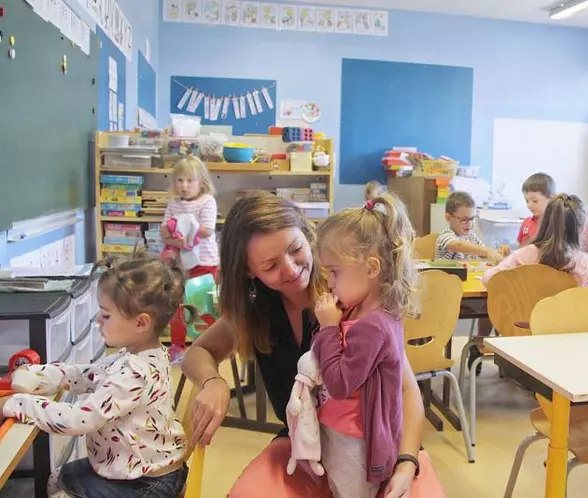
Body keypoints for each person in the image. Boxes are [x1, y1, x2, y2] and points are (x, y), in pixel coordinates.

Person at [180, 190, 444, 498]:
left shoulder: (350, 296)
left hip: (374, 445)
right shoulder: (255, 311)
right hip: (305, 446)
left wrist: (406, 463)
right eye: (270, 266)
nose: (291, 270)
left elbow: (406, 389)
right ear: (249, 271)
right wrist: (213, 382)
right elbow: (197, 352)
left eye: (295, 249)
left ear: (309, 236)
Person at [0, 254, 189, 497]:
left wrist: (17, 405)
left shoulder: (135, 372)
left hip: (145, 482)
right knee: (58, 479)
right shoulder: (137, 355)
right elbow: (88, 375)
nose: (99, 321)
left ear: (141, 323)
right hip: (132, 466)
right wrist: (39, 374)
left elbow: (79, 419)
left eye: (107, 315)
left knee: (61, 492)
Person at [311, 193, 416, 497]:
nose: (329, 283)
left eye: (334, 272)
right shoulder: (363, 311)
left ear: (372, 269)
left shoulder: (373, 326)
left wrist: (329, 327)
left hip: (354, 442)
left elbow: (341, 383)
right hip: (342, 431)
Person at [435, 191, 501, 377]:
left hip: (471, 294)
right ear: (449, 217)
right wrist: (486, 250)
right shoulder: (445, 236)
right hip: (448, 296)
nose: (469, 224)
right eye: (464, 220)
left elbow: (483, 255)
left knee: (492, 304)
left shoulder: (472, 237)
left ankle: (480, 344)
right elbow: (457, 246)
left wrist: (495, 253)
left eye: (472, 219)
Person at [161, 155, 219, 362]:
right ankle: (177, 345)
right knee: (177, 305)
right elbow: (164, 232)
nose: (184, 186)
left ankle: (215, 343)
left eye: (190, 180)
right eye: (179, 180)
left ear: (201, 181)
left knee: (204, 304)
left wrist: (183, 229)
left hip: (204, 263)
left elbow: (207, 230)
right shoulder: (173, 204)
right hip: (179, 264)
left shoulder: (207, 201)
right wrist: (178, 239)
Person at [483, 194, 588, 288]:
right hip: (567, 315)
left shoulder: (524, 255)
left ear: (544, 221)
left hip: (527, 315)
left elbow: (488, 279)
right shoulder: (584, 264)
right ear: (581, 228)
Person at [517, 173, 556, 247]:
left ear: (551, 199)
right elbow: (520, 249)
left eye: (535, 201)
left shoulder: (556, 225)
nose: (529, 205)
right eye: (527, 201)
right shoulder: (526, 222)